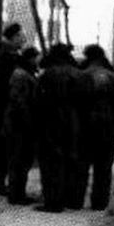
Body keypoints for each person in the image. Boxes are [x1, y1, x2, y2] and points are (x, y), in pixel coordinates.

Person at [71, 44, 114, 210]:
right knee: (103, 170)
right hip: (108, 132)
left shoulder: (81, 76)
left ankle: (76, 201)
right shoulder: (113, 77)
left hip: (85, 131)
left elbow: (75, 106)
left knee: (81, 168)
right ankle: (99, 204)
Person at [33, 43, 81, 212]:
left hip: (51, 121)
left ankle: (53, 202)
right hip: (74, 122)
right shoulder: (78, 73)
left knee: (51, 162)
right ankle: (72, 199)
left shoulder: (49, 75)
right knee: (71, 160)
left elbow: (38, 101)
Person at [0, 23, 27, 194]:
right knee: (2, 149)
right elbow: (2, 90)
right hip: (1, 112)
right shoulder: (8, 61)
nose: (24, 39)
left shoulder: (0, 58)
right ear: (14, 37)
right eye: (21, 36)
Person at [3, 46, 40, 204]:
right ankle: (16, 195)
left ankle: (18, 193)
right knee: (19, 160)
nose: (38, 61)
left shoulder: (25, 73)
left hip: (19, 124)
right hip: (19, 125)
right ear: (30, 58)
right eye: (36, 57)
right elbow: (19, 101)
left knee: (22, 161)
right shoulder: (21, 75)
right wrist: (28, 121)